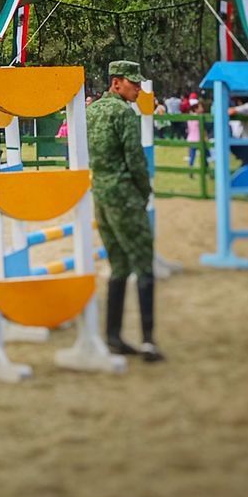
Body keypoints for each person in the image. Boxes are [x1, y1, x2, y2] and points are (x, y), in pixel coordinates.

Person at [86, 60, 164, 362]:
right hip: (125, 194)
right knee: (143, 262)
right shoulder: (124, 113)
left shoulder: (91, 112)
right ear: (116, 83)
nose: (137, 89)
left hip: (101, 196)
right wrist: (145, 192)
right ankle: (148, 342)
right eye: (133, 84)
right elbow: (135, 159)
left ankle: (114, 336)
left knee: (118, 265)